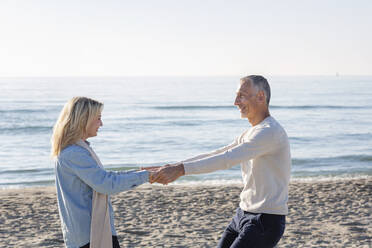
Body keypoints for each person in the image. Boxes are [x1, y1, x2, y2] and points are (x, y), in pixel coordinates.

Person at [146, 75, 291, 248]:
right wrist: (173, 167)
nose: (236, 102)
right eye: (237, 95)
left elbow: (226, 159)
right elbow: (220, 152)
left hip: (264, 220)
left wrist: (181, 169)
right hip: (243, 214)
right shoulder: (251, 132)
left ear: (261, 97)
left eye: (242, 96)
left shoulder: (270, 132)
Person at [51, 97, 158, 248]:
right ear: (84, 120)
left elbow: (105, 177)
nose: (101, 124)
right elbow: (106, 184)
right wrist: (147, 176)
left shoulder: (78, 149)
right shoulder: (74, 153)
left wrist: (143, 172)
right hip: (90, 236)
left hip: (93, 232)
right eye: (98, 119)